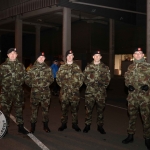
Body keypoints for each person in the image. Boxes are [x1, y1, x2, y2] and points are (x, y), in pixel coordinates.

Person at [122, 48, 150, 149]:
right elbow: (126, 79)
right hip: (132, 97)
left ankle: (147, 138)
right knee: (132, 117)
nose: (138, 55)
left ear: (143, 55)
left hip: (144, 97)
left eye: (140, 53)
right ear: (133, 55)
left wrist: (148, 85)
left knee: (146, 118)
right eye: (136, 53)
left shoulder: (148, 66)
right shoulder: (130, 67)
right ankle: (130, 135)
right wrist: (128, 84)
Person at [0, 48, 28, 135]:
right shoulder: (2, 66)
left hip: (18, 92)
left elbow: (25, 77)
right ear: (8, 55)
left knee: (19, 109)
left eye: (14, 53)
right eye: (11, 53)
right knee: (5, 110)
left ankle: (20, 127)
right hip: (6, 92)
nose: (12, 55)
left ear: (16, 55)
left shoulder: (21, 66)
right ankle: (5, 129)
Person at [25, 52, 54, 133]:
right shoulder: (32, 69)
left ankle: (45, 126)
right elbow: (27, 79)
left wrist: (46, 84)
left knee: (45, 110)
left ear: (44, 59)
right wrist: (33, 85)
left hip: (46, 93)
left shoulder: (48, 69)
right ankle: (32, 126)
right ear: (37, 59)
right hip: (35, 93)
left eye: (43, 57)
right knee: (34, 110)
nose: (41, 58)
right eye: (40, 57)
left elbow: (51, 79)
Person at [83, 50, 111, 134]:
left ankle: (100, 126)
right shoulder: (88, 67)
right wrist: (89, 84)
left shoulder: (105, 67)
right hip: (90, 92)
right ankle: (87, 125)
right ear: (93, 57)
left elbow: (108, 79)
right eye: (95, 55)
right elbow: (84, 78)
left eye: (98, 55)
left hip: (100, 92)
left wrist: (102, 85)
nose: (97, 57)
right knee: (88, 109)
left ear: (101, 57)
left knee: (100, 110)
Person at [56, 50, 84, 132]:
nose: (70, 57)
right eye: (68, 55)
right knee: (64, 109)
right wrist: (64, 86)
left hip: (74, 93)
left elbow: (81, 79)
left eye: (71, 55)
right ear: (66, 57)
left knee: (74, 110)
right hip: (64, 93)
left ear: (73, 56)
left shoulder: (77, 67)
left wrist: (75, 87)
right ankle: (63, 124)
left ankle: (75, 124)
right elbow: (58, 79)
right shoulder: (62, 67)